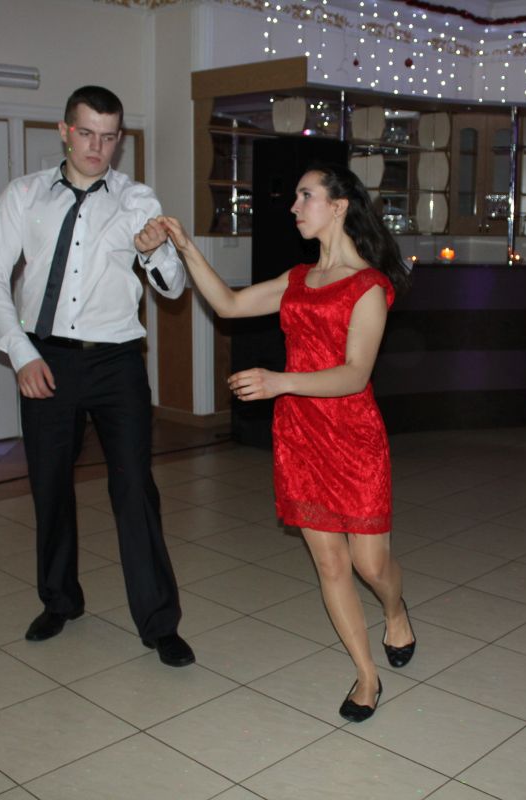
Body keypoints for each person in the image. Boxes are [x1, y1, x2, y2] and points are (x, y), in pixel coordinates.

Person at [156, 163, 414, 722]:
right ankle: (366, 676)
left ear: (339, 206)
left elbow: (354, 375)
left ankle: (396, 611)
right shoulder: (297, 279)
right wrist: (186, 248)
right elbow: (228, 304)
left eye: (305, 196)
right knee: (330, 564)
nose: (294, 207)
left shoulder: (369, 286)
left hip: (353, 436)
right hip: (301, 436)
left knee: (371, 565)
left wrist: (279, 382)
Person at [0, 85, 195, 666]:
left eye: (108, 137)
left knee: (134, 489)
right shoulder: (24, 195)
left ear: (118, 139)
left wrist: (154, 252)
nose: (97, 147)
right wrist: (21, 353)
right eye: (86, 134)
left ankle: (159, 623)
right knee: (49, 485)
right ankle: (60, 600)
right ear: (64, 131)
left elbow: (173, 287)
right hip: (45, 357)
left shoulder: (136, 199)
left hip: (116, 361)